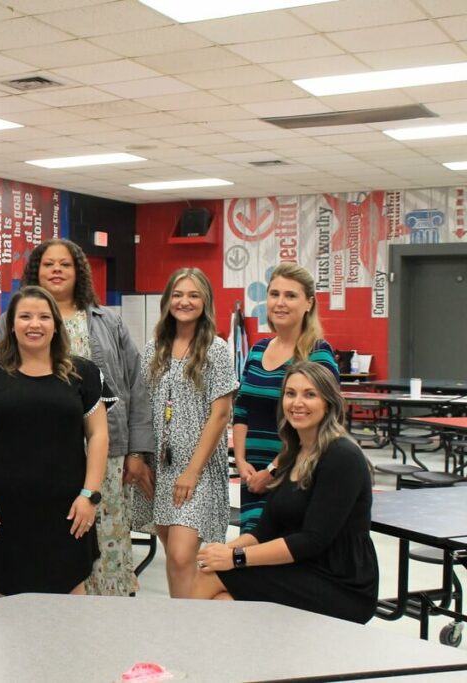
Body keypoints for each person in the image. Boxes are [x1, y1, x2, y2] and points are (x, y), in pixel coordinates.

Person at [0, 238, 155, 596]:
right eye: (49, 264)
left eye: (65, 264)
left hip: (102, 453)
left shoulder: (108, 322)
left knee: (100, 536)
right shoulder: (7, 323)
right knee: (42, 542)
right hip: (33, 459)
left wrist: (138, 452)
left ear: (79, 272)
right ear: (35, 272)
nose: (57, 270)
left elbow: (135, 386)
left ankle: (98, 625)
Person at [191, 361, 379, 624]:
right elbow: (264, 531)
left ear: (328, 403)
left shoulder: (341, 456)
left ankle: (175, 655)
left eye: (309, 394)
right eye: (290, 394)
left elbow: (312, 541)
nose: (297, 403)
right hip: (302, 570)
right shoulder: (293, 454)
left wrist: (235, 558)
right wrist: (222, 551)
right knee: (222, 598)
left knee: (214, 577)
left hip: (340, 584)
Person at [0, 285, 114, 595]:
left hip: (68, 509)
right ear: (11, 324)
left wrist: (90, 495)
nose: (35, 324)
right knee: (8, 600)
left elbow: (98, 435)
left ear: (56, 325)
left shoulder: (83, 373)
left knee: (70, 591)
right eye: (25, 316)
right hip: (2, 508)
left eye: (44, 317)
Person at [142, 268, 236, 598]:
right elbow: (143, 405)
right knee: (178, 560)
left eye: (193, 295)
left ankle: (187, 628)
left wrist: (192, 472)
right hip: (161, 469)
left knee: (182, 555)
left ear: (205, 301)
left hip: (196, 469)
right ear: (167, 300)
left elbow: (220, 414)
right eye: (178, 295)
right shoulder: (154, 349)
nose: (185, 301)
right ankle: (189, 620)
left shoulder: (216, 349)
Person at [233, 263, 339, 533]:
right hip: (251, 475)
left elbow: (325, 422)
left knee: (272, 554)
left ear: (308, 303)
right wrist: (242, 461)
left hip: (294, 474)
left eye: (290, 296)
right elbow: (243, 409)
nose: (280, 303)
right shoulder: (257, 350)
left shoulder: (317, 355)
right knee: (252, 552)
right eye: (274, 294)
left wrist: (272, 470)